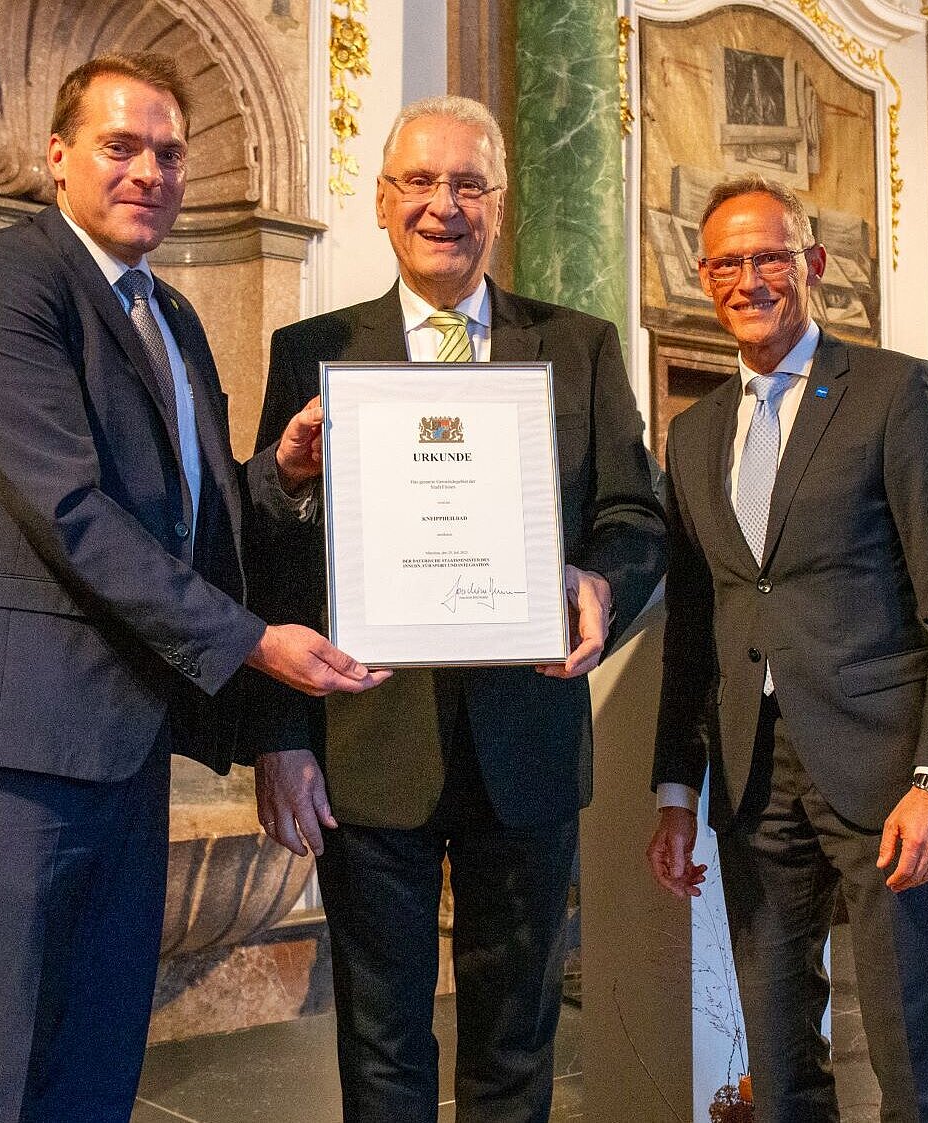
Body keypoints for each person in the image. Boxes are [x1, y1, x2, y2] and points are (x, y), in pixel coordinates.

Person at [0, 53, 386, 1123]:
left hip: (120, 740)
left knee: (95, 1062)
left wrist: (279, 476)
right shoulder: (3, 280)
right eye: (120, 146)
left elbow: (191, 520)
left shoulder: (171, 313)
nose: (149, 171)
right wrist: (257, 644)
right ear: (58, 156)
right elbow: (71, 513)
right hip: (15, 740)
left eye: (168, 152)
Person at [247, 95, 666, 1123]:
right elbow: (266, 554)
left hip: (524, 740)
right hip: (365, 741)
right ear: (383, 203)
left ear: (500, 203)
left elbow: (634, 517)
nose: (445, 205)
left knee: (514, 1042)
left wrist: (600, 583)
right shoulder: (314, 349)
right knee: (379, 1043)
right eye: (421, 183)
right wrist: (278, 739)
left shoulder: (577, 346)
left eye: (468, 184)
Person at [646, 177, 928, 1123]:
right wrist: (678, 793)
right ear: (704, 277)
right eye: (725, 262)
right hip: (752, 782)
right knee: (778, 1049)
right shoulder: (691, 434)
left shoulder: (894, 391)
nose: (747, 278)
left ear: (813, 265)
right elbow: (694, 628)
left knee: (908, 1048)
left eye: (768, 256)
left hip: (885, 777)